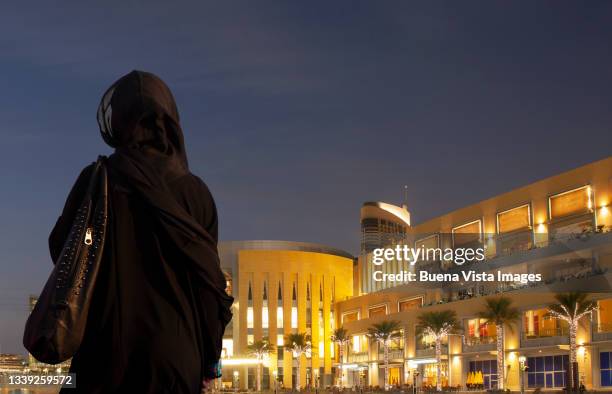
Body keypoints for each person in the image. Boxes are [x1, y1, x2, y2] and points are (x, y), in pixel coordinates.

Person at [49, 70, 233, 393]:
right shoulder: (196, 194)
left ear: (118, 121)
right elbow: (208, 288)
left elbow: (61, 252)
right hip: (175, 362)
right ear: (170, 121)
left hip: (101, 359)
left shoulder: (96, 180)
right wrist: (210, 361)